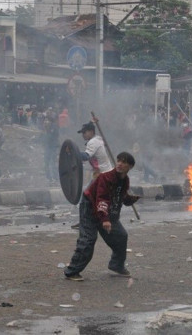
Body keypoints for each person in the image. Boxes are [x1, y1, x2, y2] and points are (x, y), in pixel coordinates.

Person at [64, 152, 140, 281]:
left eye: (124, 162)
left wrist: (129, 199)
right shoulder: (106, 178)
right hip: (90, 207)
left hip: (106, 211)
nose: (120, 164)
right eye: (119, 161)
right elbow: (102, 198)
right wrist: (105, 219)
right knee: (88, 239)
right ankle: (72, 271)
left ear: (130, 166)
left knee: (121, 236)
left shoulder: (125, 180)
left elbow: (119, 197)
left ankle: (116, 265)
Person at [42, 115, 60, 183]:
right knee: (46, 162)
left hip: (53, 147)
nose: (45, 122)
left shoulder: (54, 127)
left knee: (52, 162)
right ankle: (48, 177)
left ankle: (55, 177)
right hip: (47, 147)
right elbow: (43, 137)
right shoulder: (46, 127)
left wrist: (47, 131)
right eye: (45, 120)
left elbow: (51, 137)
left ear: (50, 121)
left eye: (47, 120)